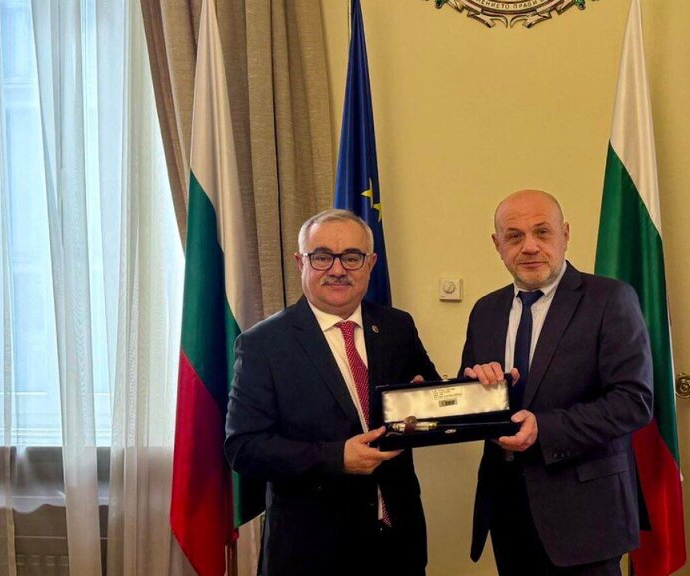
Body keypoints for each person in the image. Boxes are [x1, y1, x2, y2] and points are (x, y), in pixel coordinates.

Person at [225, 209, 438, 575]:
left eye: (352, 257)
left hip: (398, 544)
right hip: (312, 551)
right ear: (300, 262)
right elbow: (243, 447)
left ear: (370, 263)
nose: (338, 270)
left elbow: (430, 400)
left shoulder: (397, 327)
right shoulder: (263, 344)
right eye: (322, 257)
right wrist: (336, 457)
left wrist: (470, 390)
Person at [462, 189, 654, 575]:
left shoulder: (610, 299)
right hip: (507, 511)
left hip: (587, 515)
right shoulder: (485, 310)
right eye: (514, 236)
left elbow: (633, 401)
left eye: (542, 232)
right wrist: (470, 391)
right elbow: (471, 400)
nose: (529, 247)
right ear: (497, 245)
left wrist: (544, 429)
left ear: (565, 234)